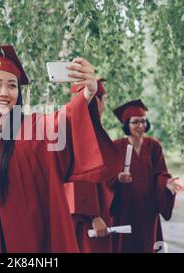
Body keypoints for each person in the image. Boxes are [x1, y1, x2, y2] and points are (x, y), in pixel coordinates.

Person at [0, 45, 110, 252]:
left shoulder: (35, 130)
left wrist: (87, 94)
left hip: (32, 245)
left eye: (12, 86)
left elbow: (64, 119)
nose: (5, 93)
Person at [111, 99, 184, 253]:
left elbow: (160, 174)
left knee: (147, 245)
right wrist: (118, 177)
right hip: (125, 209)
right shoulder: (116, 146)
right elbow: (107, 177)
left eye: (143, 121)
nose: (140, 126)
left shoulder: (153, 146)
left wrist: (166, 183)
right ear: (126, 124)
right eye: (135, 122)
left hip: (148, 209)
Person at [64, 78, 122, 252]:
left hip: (92, 212)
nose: (104, 107)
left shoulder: (84, 128)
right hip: (84, 218)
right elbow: (80, 178)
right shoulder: (79, 131)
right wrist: (93, 216)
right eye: (103, 101)